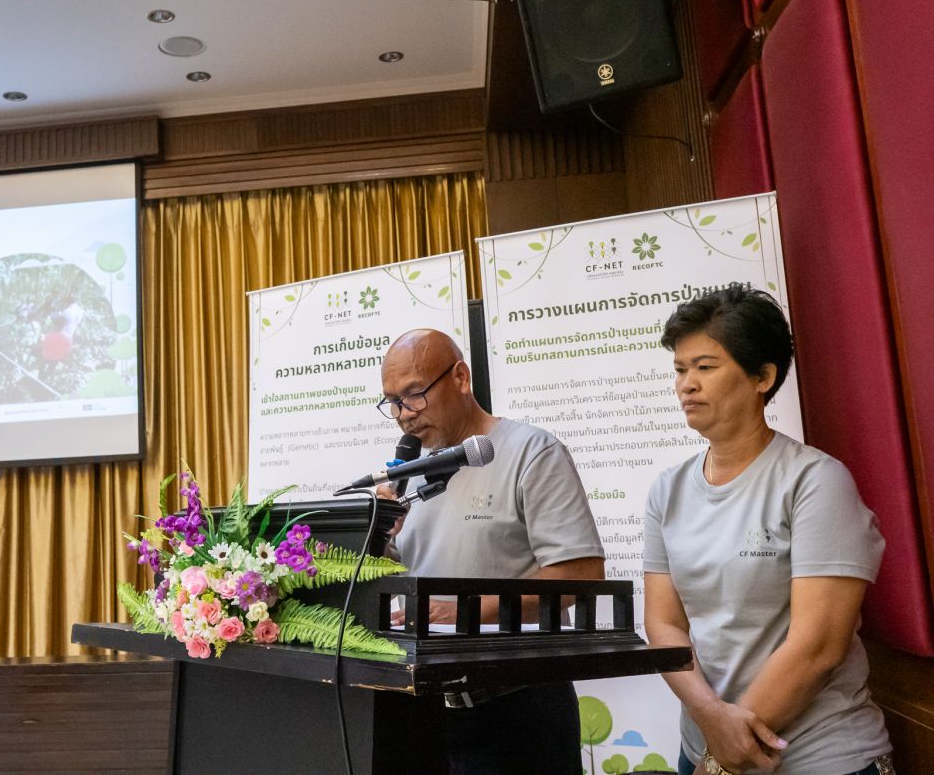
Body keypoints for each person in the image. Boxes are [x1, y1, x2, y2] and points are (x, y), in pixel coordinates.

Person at [644, 285, 893, 775]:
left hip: (817, 757)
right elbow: (663, 624)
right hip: (702, 749)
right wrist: (710, 720)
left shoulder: (816, 481)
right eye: (679, 369)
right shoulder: (667, 489)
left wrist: (724, 756)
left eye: (705, 367)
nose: (686, 385)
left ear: (763, 376)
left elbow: (817, 647)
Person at [377, 328, 605, 775]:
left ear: (461, 377)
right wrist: (377, 540)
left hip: (517, 712)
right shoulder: (411, 474)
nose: (403, 415)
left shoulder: (531, 452)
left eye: (414, 394)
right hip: (422, 711)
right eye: (392, 402)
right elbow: (407, 573)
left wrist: (448, 612)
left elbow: (579, 576)